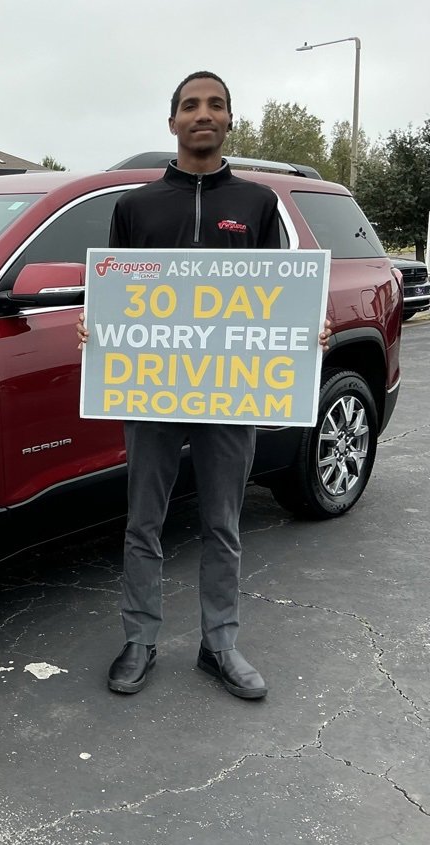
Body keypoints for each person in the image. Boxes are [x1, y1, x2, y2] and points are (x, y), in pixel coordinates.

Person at [76, 71, 330, 699]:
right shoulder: (134, 206)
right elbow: (116, 295)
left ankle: (220, 645)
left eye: (215, 105)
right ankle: (139, 639)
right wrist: (98, 326)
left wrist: (305, 328)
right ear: (172, 123)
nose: (202, 114)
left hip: (231, 391)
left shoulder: (257, 204)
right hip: (153, 390)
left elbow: (280, 296)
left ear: (228, 121)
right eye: (190, 105)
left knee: (223, 522)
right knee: (144, 522)